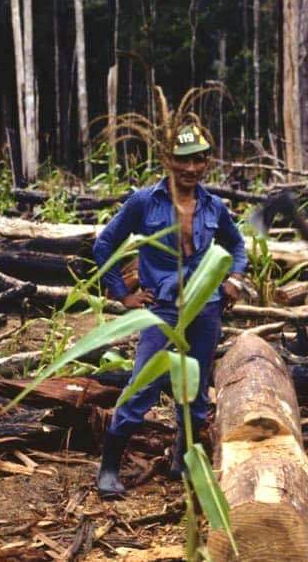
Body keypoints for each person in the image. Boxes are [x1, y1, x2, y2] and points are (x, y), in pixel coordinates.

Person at [93, 125, 248, 497]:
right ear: (169, 160)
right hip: (162, 308)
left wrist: (234, 279)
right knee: (143, 384)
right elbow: (105, 244)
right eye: (183, 159)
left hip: (206, 308)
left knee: (196, 386)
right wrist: (122, 294)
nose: (191, 168)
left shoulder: (214, 206)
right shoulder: (145, 202)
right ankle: (109, 467)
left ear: (207, 162)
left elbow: (237, 244)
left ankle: (184, 458)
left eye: (198, 159)